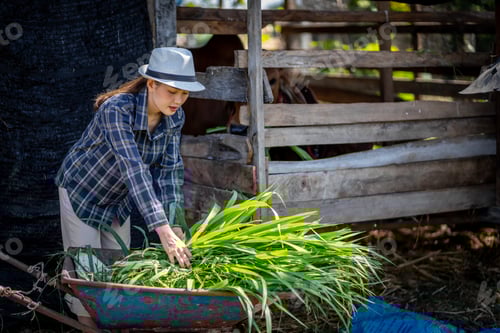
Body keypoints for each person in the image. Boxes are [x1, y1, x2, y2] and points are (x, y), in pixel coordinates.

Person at [54, 47, 205, 330]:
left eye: (184, 94)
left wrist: (175, 224)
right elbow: (133, 169)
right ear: (151, 83)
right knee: (88, 272)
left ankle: (114, 325)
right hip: (83, 192)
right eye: (172, 91)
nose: (178, 100)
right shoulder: (117, 110)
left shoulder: (175, 117)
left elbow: (171, 171)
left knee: (120, 273)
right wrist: (162, 230)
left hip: (120, 200)